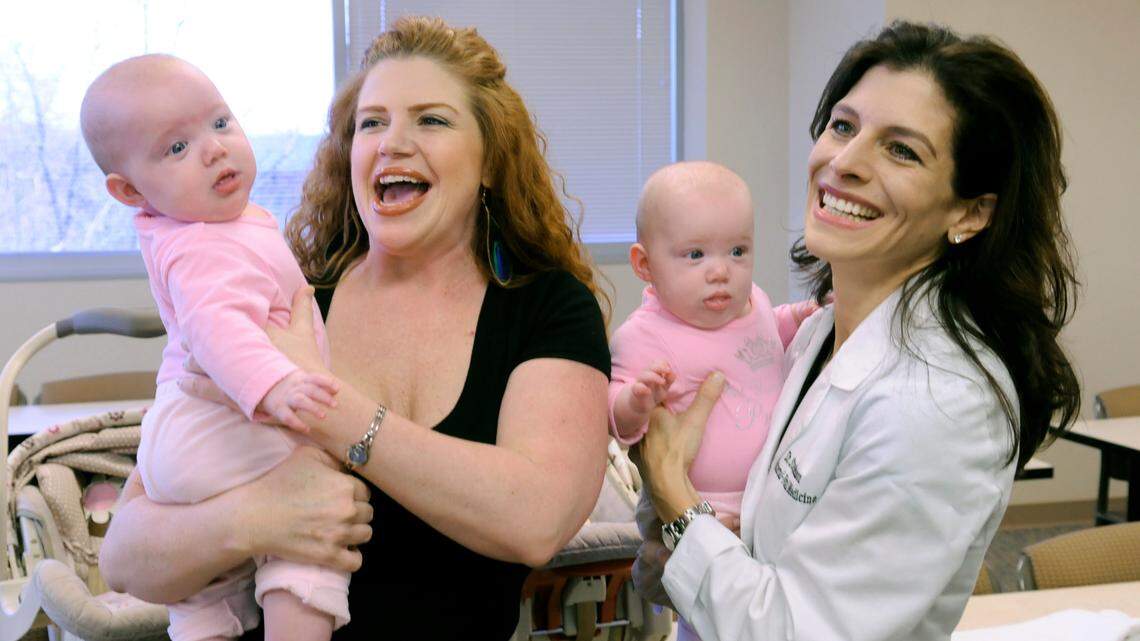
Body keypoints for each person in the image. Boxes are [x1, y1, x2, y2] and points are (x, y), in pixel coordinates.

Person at [98, 17, 612, 641]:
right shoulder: (287, 298)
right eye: (372, 123)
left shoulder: (547, 309)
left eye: (432, 119)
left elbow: (535, 521)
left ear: (490, 162)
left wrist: (328, 407)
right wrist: (256, 518)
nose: (392, 143)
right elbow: (124, 557)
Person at [634, 21, 1080, 641]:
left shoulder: (938, 400)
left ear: (970, 212)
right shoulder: (825, 331)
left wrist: (673, 497)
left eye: (901, 150)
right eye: (843, 126)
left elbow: (799, 632)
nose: (843, 162)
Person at [81, 54, 350, 641]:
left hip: (185, 444)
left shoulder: (207, 227)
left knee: (204, 593)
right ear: (129, 190)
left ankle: (204, 622)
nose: (213, 149)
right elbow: (215, 328)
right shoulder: (202, 245)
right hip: (224, 425)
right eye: (176, 148)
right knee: (308, 537)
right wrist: (275, 386)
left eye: (221, 123)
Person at [608, 161, 814, 640]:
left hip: (770, 502)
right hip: (701, 511)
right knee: (711, 619)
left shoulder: (753, 302)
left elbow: (772, 331)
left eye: (738, 251)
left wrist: (801, 317)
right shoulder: (646, 336)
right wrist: (636, 401)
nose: (721, 271)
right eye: (695, 255)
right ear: (645, 264)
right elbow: (617, 417)